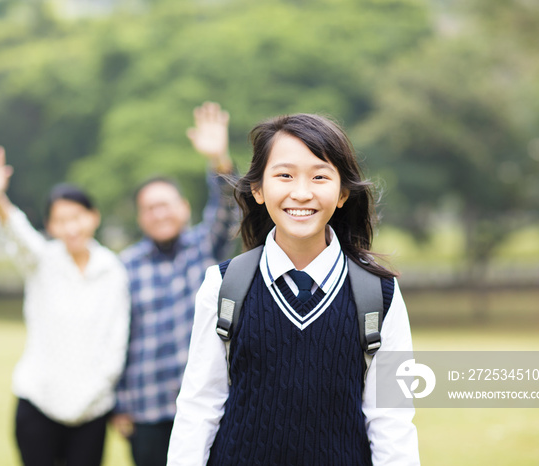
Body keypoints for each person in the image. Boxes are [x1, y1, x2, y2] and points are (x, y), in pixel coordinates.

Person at [167, 114, 420, 465]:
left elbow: (391, 419)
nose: (301, 193)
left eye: (319, 176)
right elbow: (199, 407)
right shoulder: (223, 286)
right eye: (284, 175)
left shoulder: (381, 294)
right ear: (257, 189)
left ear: (343, 192)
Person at [0, 145, 130, 466]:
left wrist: (96, 393)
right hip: (38, 402)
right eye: (61, 220)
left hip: (92, 409)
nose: (71, 228)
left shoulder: (112, 270)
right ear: (50, 226)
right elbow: (18, 234)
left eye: (77, 217)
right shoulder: (42, 261)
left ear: (93, 217)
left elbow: (116, 339)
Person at [112, 102, 238, 466]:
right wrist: (119, 405)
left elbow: (228, 206)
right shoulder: (127, 266)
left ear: (184, 208)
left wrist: (219, 160)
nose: (159, 213)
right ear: (140, 218)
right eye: (149, 208)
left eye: (165, 205)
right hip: (147, 409)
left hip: (207, 404)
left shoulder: (205, 247)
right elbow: (119, 336)